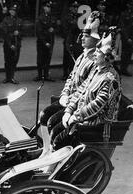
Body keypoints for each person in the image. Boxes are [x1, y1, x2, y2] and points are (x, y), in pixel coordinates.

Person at [38, 11, 100, 157]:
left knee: (53, 123)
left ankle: (59, 156)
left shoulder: (95, 60)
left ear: (95, 40)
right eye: (82, 36)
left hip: (80, 103)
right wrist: (65, 93)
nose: (81, 39)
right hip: (69, 99)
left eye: (86, 37)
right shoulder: (82, 56)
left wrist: (70, 102)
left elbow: (87, 88)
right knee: (44, 115)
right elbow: (71, 78)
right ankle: (46, 151)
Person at [51, 28, 122, 151]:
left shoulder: (110, 78)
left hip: (96, 124)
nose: (94, 54)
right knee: (55, 128)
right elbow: (81, 91)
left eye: (98, 52)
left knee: (59, 141)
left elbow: (97, 105)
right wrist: (69, 110)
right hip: (84, 118)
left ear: (106, 57)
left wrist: (76, 117)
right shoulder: (96, 71)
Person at [34, 0, 57, 82]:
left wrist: (53, 30)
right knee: (40, 59)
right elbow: (39, 32)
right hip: (42, 42)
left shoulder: (52, 17)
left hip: (50, 40)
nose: (48, 8)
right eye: (47, 7)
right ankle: (40, 75)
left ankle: (46, 75)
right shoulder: (40, 18)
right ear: (44, 8)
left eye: (49, 7)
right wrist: (45, 42)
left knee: (48, 58)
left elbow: (56, 28)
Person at [1, 3, 22, 84]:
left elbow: (22, 32)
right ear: (9, 11)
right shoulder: (5, 20)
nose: (13, 12)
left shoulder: (19, 20)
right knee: (7, 61)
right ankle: (7, 77)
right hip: (8, 44)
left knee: (14, 61)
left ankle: (12, 77)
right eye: (12, 10)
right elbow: (4, 33)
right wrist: (10, 44)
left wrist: (18, 33)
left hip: (17, 44)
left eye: (14, 11)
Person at [61, 1, 82, 80]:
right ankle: (65, 73)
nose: (76, 9)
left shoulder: (80, 17)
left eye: (77, 7)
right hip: (68, 39)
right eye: (74, 7)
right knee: (67, 57)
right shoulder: (67, 17)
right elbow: (64, 28)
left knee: (76, 57)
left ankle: (74, 73)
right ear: (70, 8)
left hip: (76, 40)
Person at [119, 0, 133, 76]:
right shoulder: (124, 14)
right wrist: (127, 38)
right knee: (125, 53)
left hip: (131, 36)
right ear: (128, 5)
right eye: (130, 4)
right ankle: (123, 69)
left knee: (129, 53)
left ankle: (125, 68)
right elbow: (122, 27)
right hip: (126, 36)